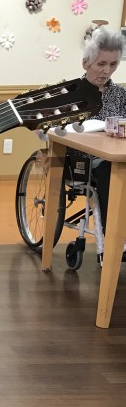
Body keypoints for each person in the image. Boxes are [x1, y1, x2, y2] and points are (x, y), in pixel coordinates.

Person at [79, 27, 126, 260]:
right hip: (84, 160)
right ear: (86, 63)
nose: (107, 71)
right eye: (101, 64)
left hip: (117, 155)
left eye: (113, 64)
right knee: (111, 171)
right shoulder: (72, 93)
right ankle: (117, 240)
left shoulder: (120, 94)